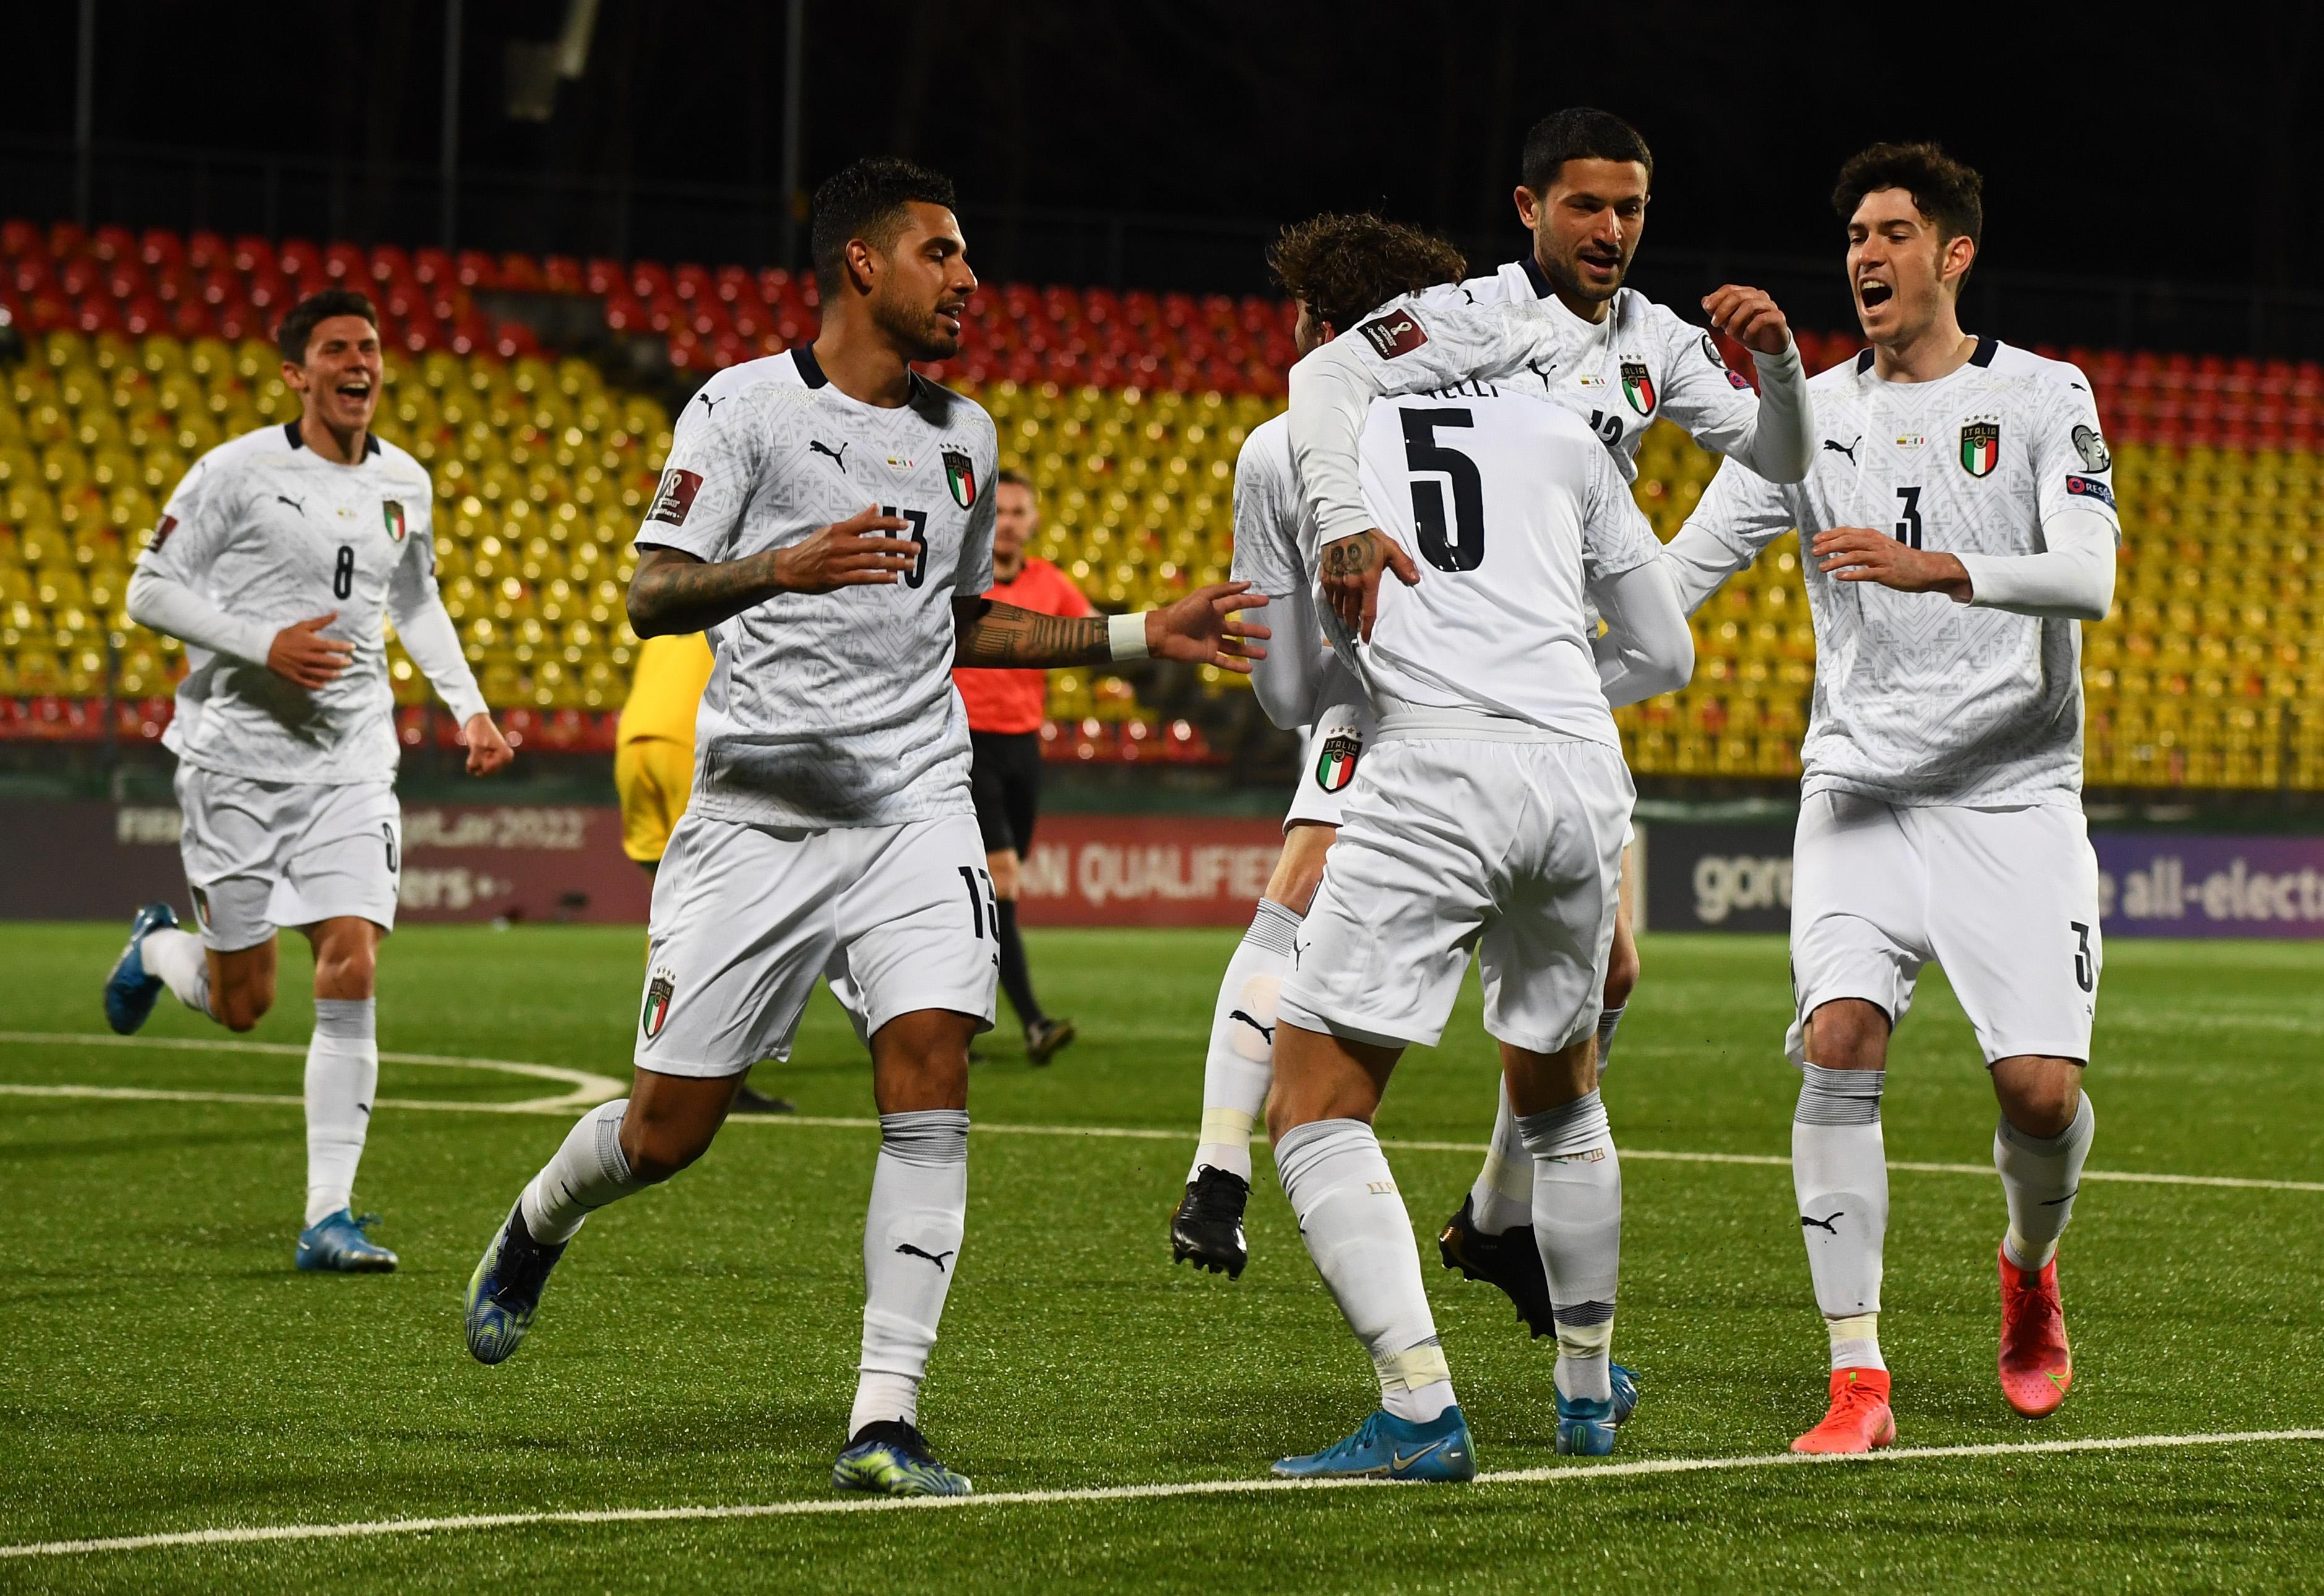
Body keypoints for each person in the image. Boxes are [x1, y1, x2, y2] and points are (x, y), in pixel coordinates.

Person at [458, 157, 1266, 1499]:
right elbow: (649, 595)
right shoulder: (742, 408)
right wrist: (779, 561)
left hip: (913, 806)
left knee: (932, 1063)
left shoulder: (967, 433)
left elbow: (961, 625)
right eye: (942, 254)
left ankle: (882, 1418)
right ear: (862, 265)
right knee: (666, 1132)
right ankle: (540, 1218)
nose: (968, 279)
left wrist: (1131, 631)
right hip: (757, 819)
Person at [1172, 108, 1815, 1308]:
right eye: (1585, 203)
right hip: (1419, 669)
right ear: (1528, 209)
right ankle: (1221, 1164)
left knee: (1610, 971)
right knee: (1305, 886)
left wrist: (1775, 369)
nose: (1610, 228)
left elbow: (1781, 456)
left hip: (1532, 669)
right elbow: (1331, 400)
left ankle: (1492, 1211)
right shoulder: (1465, 326)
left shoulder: (1656, 345)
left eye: (1627, 206)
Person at [1656, 143, 2115, 1452]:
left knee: (2035, 1091)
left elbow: (2082, 577)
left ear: (1950, 253)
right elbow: (1675, 580)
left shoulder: (2038, 394)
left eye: (1892, 231)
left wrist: (1933, 569)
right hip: (1855, 782)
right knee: (1839, 1035)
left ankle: (2025, 1262)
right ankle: (1854, 1374)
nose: (1864, 253)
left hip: (2009, 790)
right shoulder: (1798, 428)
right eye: (1853, 232)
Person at [1258, 217, 1694, 1480]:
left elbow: (1294, 691)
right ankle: (1581, 1385)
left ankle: (1412, 1409)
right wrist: (1546, 689)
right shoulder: (1566, 428)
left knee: (1313, 1098)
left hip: (1431, 757)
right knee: (1560, 1095)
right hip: (1573, 766)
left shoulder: (1311, 440)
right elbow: (1665, 654)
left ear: (1332, 328)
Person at [102, 287, 514, 1272]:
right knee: (242, 1000)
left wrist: (469, 705)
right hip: (236, 760)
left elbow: (416, 603)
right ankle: (160, 950)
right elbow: (146, 588)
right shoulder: (235, 472)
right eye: (335, 349)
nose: (357, 362)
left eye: (368, 346)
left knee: (353, 961)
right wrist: (261, 644)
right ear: (297, 372)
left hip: (351, 761)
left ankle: (328, 1215)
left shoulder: (403, 479)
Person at [614, 631, 793, 1113]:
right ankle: (711, 1065)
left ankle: (659, 1051)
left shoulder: (683, 577)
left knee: (672, 907)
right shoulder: (744, 585)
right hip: (686, 740)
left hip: (633, 739)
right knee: (724, 908)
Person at [949, 468, 1090, 1064]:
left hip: (1022, 748)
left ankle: (947, 1025)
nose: (1007, 523)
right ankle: (1033, 1022)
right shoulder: (961, 581)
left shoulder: (1051, 584)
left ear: (1032, 520)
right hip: (965, 744)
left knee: (987, 899)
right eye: (999, 511)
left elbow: (1088, 636)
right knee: (1000, 880)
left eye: (1017, 512)